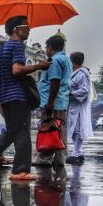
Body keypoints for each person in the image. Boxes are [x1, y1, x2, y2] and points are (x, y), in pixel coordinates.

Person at [0, 16, 50, 181]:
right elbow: (17, 70)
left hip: (6, 97)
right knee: (22, 132)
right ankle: (20, 171)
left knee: (12, 131)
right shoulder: (17, 46)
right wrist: (40, 66)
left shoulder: (1, 48)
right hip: (17, 96)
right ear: (17, 29)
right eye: (26, 27)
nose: (29, 29)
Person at [34, 35, 72, 168]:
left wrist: (50, 103)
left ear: (50, 47)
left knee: (48, 129)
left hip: (52, 103)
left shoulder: (54, 61)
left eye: (46, 47)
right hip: (61, 102)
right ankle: (60, 159)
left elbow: (54, 82)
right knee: (60, 130)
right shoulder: (66, 60)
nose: (46, 50)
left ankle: (45, 158)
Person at [66, 52, 93, 164]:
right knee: (74, 129)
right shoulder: (77, 73)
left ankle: (76, 153)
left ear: (73, 62)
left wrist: (71, 94)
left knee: (77, 130)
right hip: (74, 105)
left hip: (78, 105)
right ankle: (79, 152)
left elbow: (85, 90)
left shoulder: (81, 74)